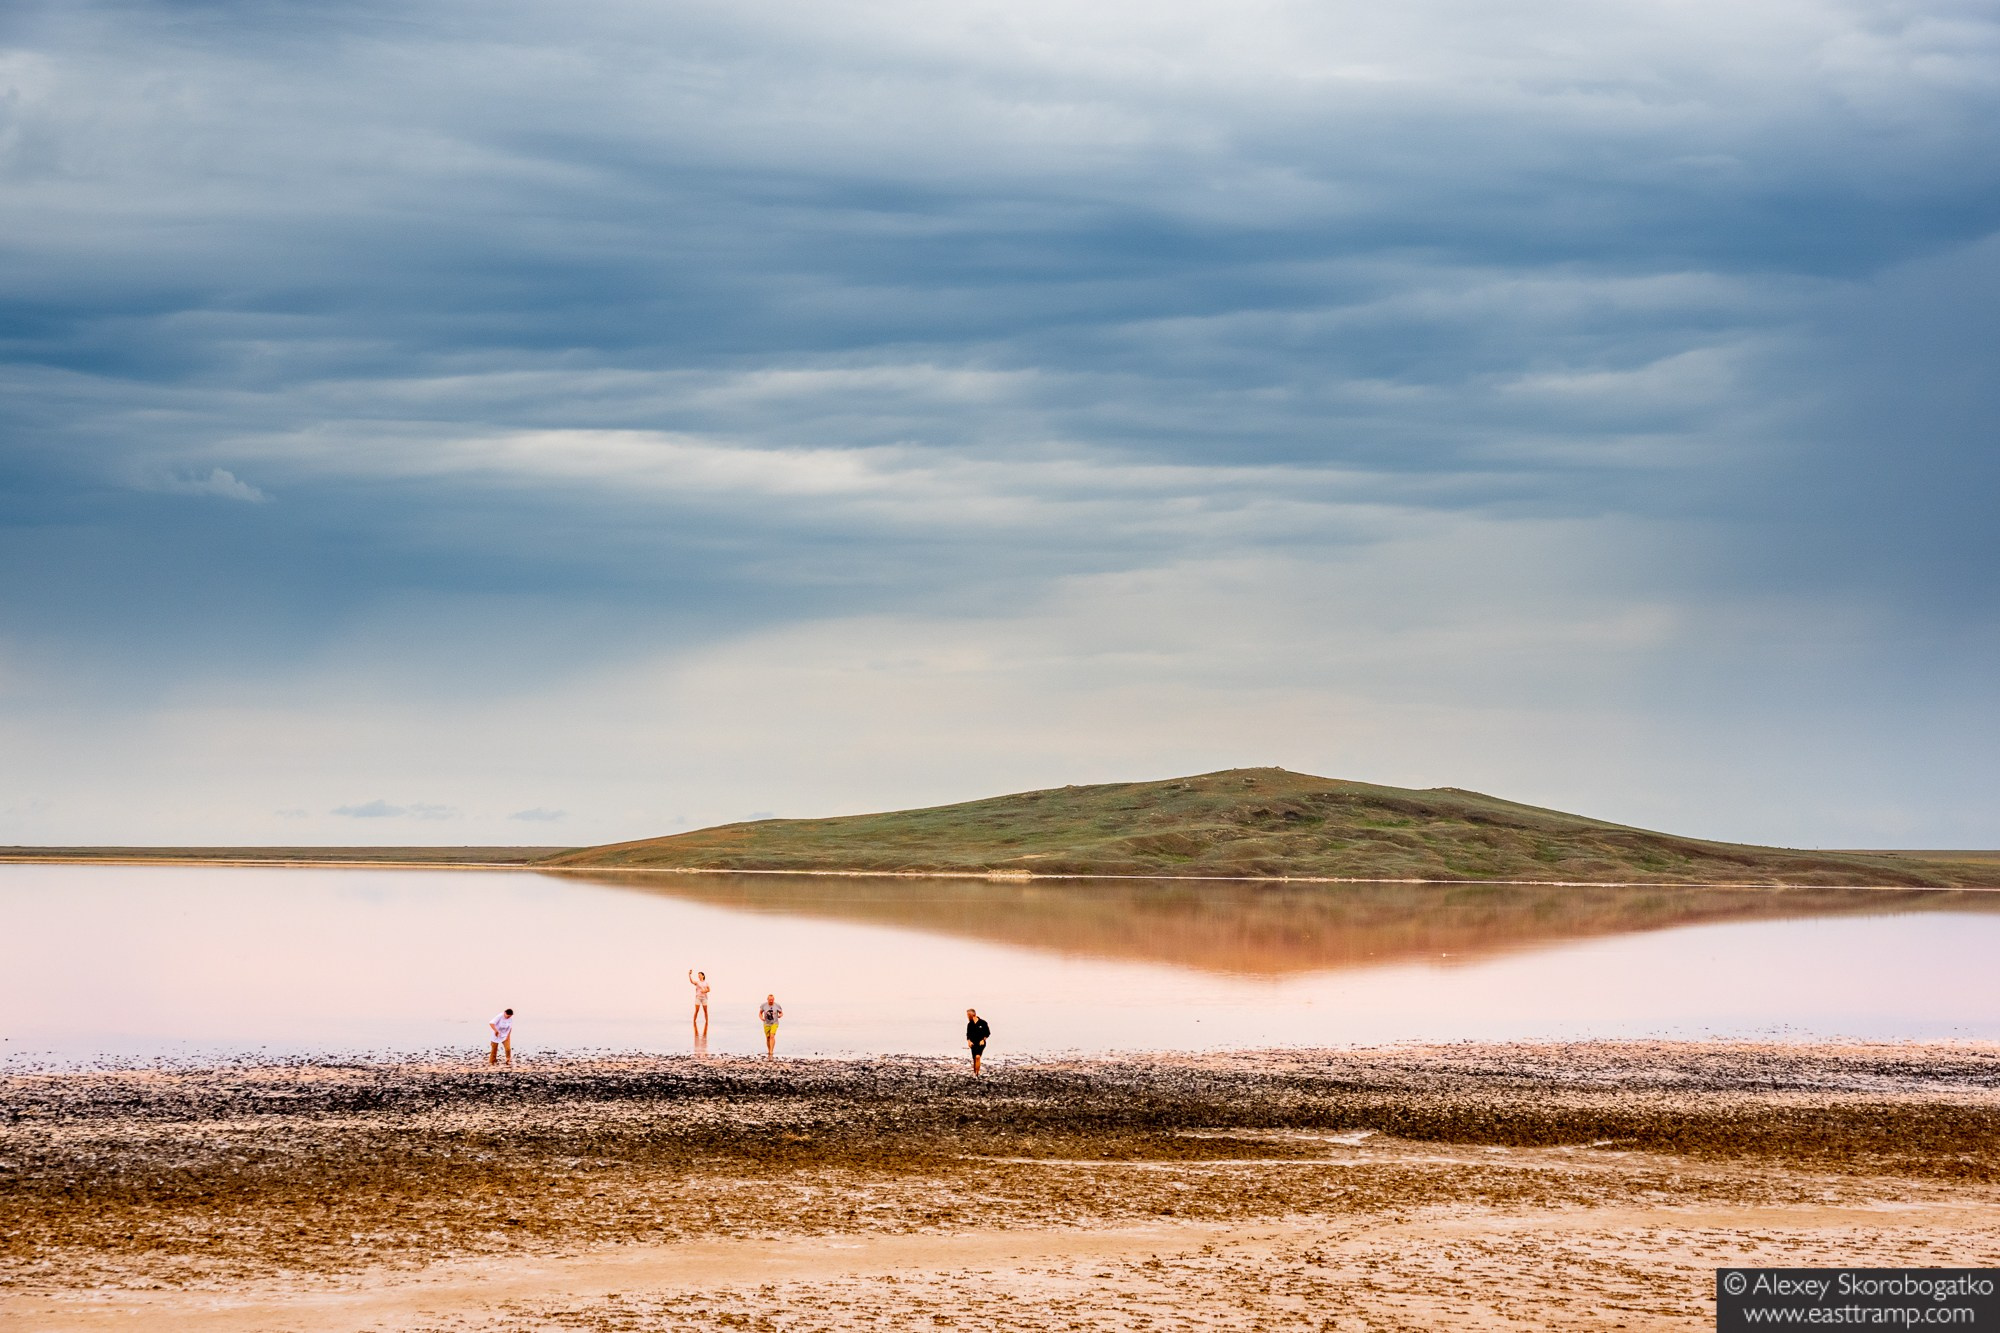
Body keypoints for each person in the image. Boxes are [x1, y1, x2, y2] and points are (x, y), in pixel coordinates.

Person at [965, 1008, 990, 1075]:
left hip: (981, 1042)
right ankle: (974, 1071)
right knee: (974, 1058)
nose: (967, 1017)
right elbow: (968, 1034)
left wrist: (983, 1040)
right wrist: (969, 1042)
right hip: (973, 1043)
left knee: (978, 1057)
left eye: (968, 1015)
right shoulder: (970, 1024)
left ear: (972, 1015)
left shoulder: (983, 1023)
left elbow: (987, 1033)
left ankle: (977, 1073)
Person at [759, 994, 784, 1058]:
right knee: (768, 1038)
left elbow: (781, 1012)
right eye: (770, 1000)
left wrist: (780, 1015)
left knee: (772, 1036)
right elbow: (760, 1013)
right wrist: (761, 1018)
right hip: (766, 1023)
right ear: (767, 999)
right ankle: (769, 1050)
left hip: (774, 1023)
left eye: (772, 1000)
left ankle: (771, 1051)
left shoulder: (777, 1005)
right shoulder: (763, 1005)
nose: (771, 1001)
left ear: (774, 999)